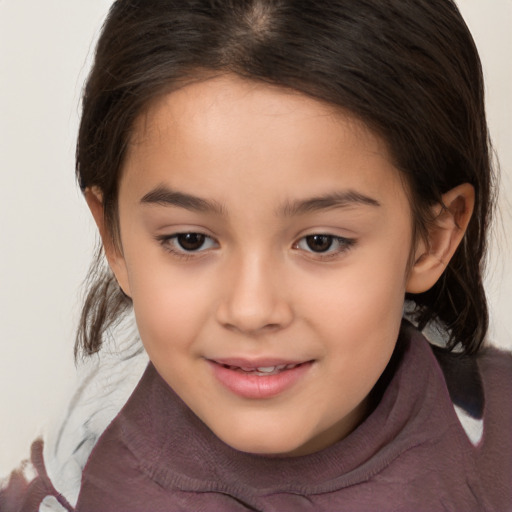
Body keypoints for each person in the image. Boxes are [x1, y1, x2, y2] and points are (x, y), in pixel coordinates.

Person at [1, 0, 511, 510]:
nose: (250, 310)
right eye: (190, 240)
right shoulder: (79, 488)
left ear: (434, 237)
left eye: (320, 242)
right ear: (113, 236)